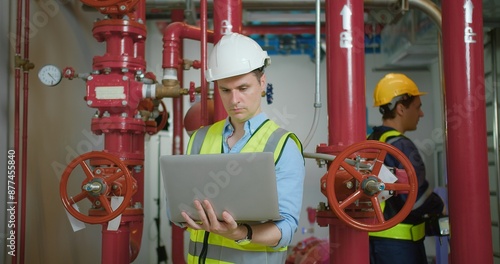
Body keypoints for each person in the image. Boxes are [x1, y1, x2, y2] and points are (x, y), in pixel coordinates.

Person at [180, 32, 306, 264]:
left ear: (262, 83)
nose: (234, 100)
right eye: (225, 90)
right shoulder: (199, 139)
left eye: (243, 88)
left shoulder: (283, 146)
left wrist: (240, 233)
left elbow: (286, 228)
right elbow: (184, 204)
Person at [367, 73, 445, 264]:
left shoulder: (373, 140)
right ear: (401, 108)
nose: (421, 114)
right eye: (417, 107)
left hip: (376, 242)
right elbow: (417, 198)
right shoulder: (401, 145)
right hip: (399, 246)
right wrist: (440, 207)